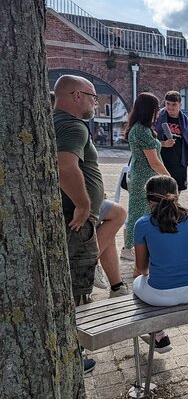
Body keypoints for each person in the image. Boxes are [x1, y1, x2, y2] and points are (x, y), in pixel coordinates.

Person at [53, 74, 103, 373]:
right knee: (77, 291)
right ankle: (73, 357)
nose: (95, 102)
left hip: (76, 220)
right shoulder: (72, 126)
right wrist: (85, 205)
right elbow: (65, 166)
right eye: (92, 95)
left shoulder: (58, 121)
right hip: (76, 222)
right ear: (75, 96)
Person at [133, 175, 188, 353]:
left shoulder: (143, 224)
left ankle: (158, 335)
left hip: (159, 296)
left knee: (135, 282)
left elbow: (142, 268)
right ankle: (158, 335)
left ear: (149, 200)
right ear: (177, 194)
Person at [123, 93, 171, 258]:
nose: (158, 113)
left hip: (143, 177)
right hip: (144, 179)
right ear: (150, 110)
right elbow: (154, 162)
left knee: (142, 212)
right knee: (138, 213)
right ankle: (128, 249)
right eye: (156, 109)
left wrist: (162, 144)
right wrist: (170, 179)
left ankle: (135, 247)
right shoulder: (142, 131)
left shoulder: (138, 128)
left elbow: (151, 152)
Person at [154, 91, 188, 192]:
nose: (170, 107)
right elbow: (148, 141)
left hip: (179, 165)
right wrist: (163, 143)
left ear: (180, 105)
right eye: (167, 104)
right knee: (159, 195)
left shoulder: (186, 123)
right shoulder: (157, 118)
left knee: (175, 195)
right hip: (160, 163)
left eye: (174, 104)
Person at [94, 199, 130, 297]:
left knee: (109, 229)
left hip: (89, 200)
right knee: (119, 213)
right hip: (78, 203)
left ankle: (117, 287)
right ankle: (88, 264)